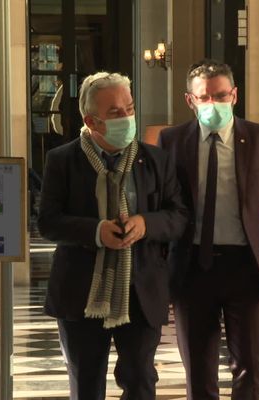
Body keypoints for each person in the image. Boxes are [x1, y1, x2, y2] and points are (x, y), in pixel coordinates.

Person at [38, 71, 188, 400]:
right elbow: (47, 221)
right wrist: (95, 232)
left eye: (130, 108)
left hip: (142, 289)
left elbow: (178, 217)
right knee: (87, 383)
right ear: (92, 121)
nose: (127, 118)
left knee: (140, 381)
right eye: (116, 113)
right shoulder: (62, 160)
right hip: (81, 292)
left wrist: (146, 224)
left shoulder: (156, 160)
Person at [159, 60, 259, 400]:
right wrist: (158, 278)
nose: (213, 104)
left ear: (234, 95)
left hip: (246, 268)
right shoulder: (171, 141)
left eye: (221, 95)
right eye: (204, 97)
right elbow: (162, 211)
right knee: (198, 367)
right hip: (191, 268)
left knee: (252, 364)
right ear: (190, 101)